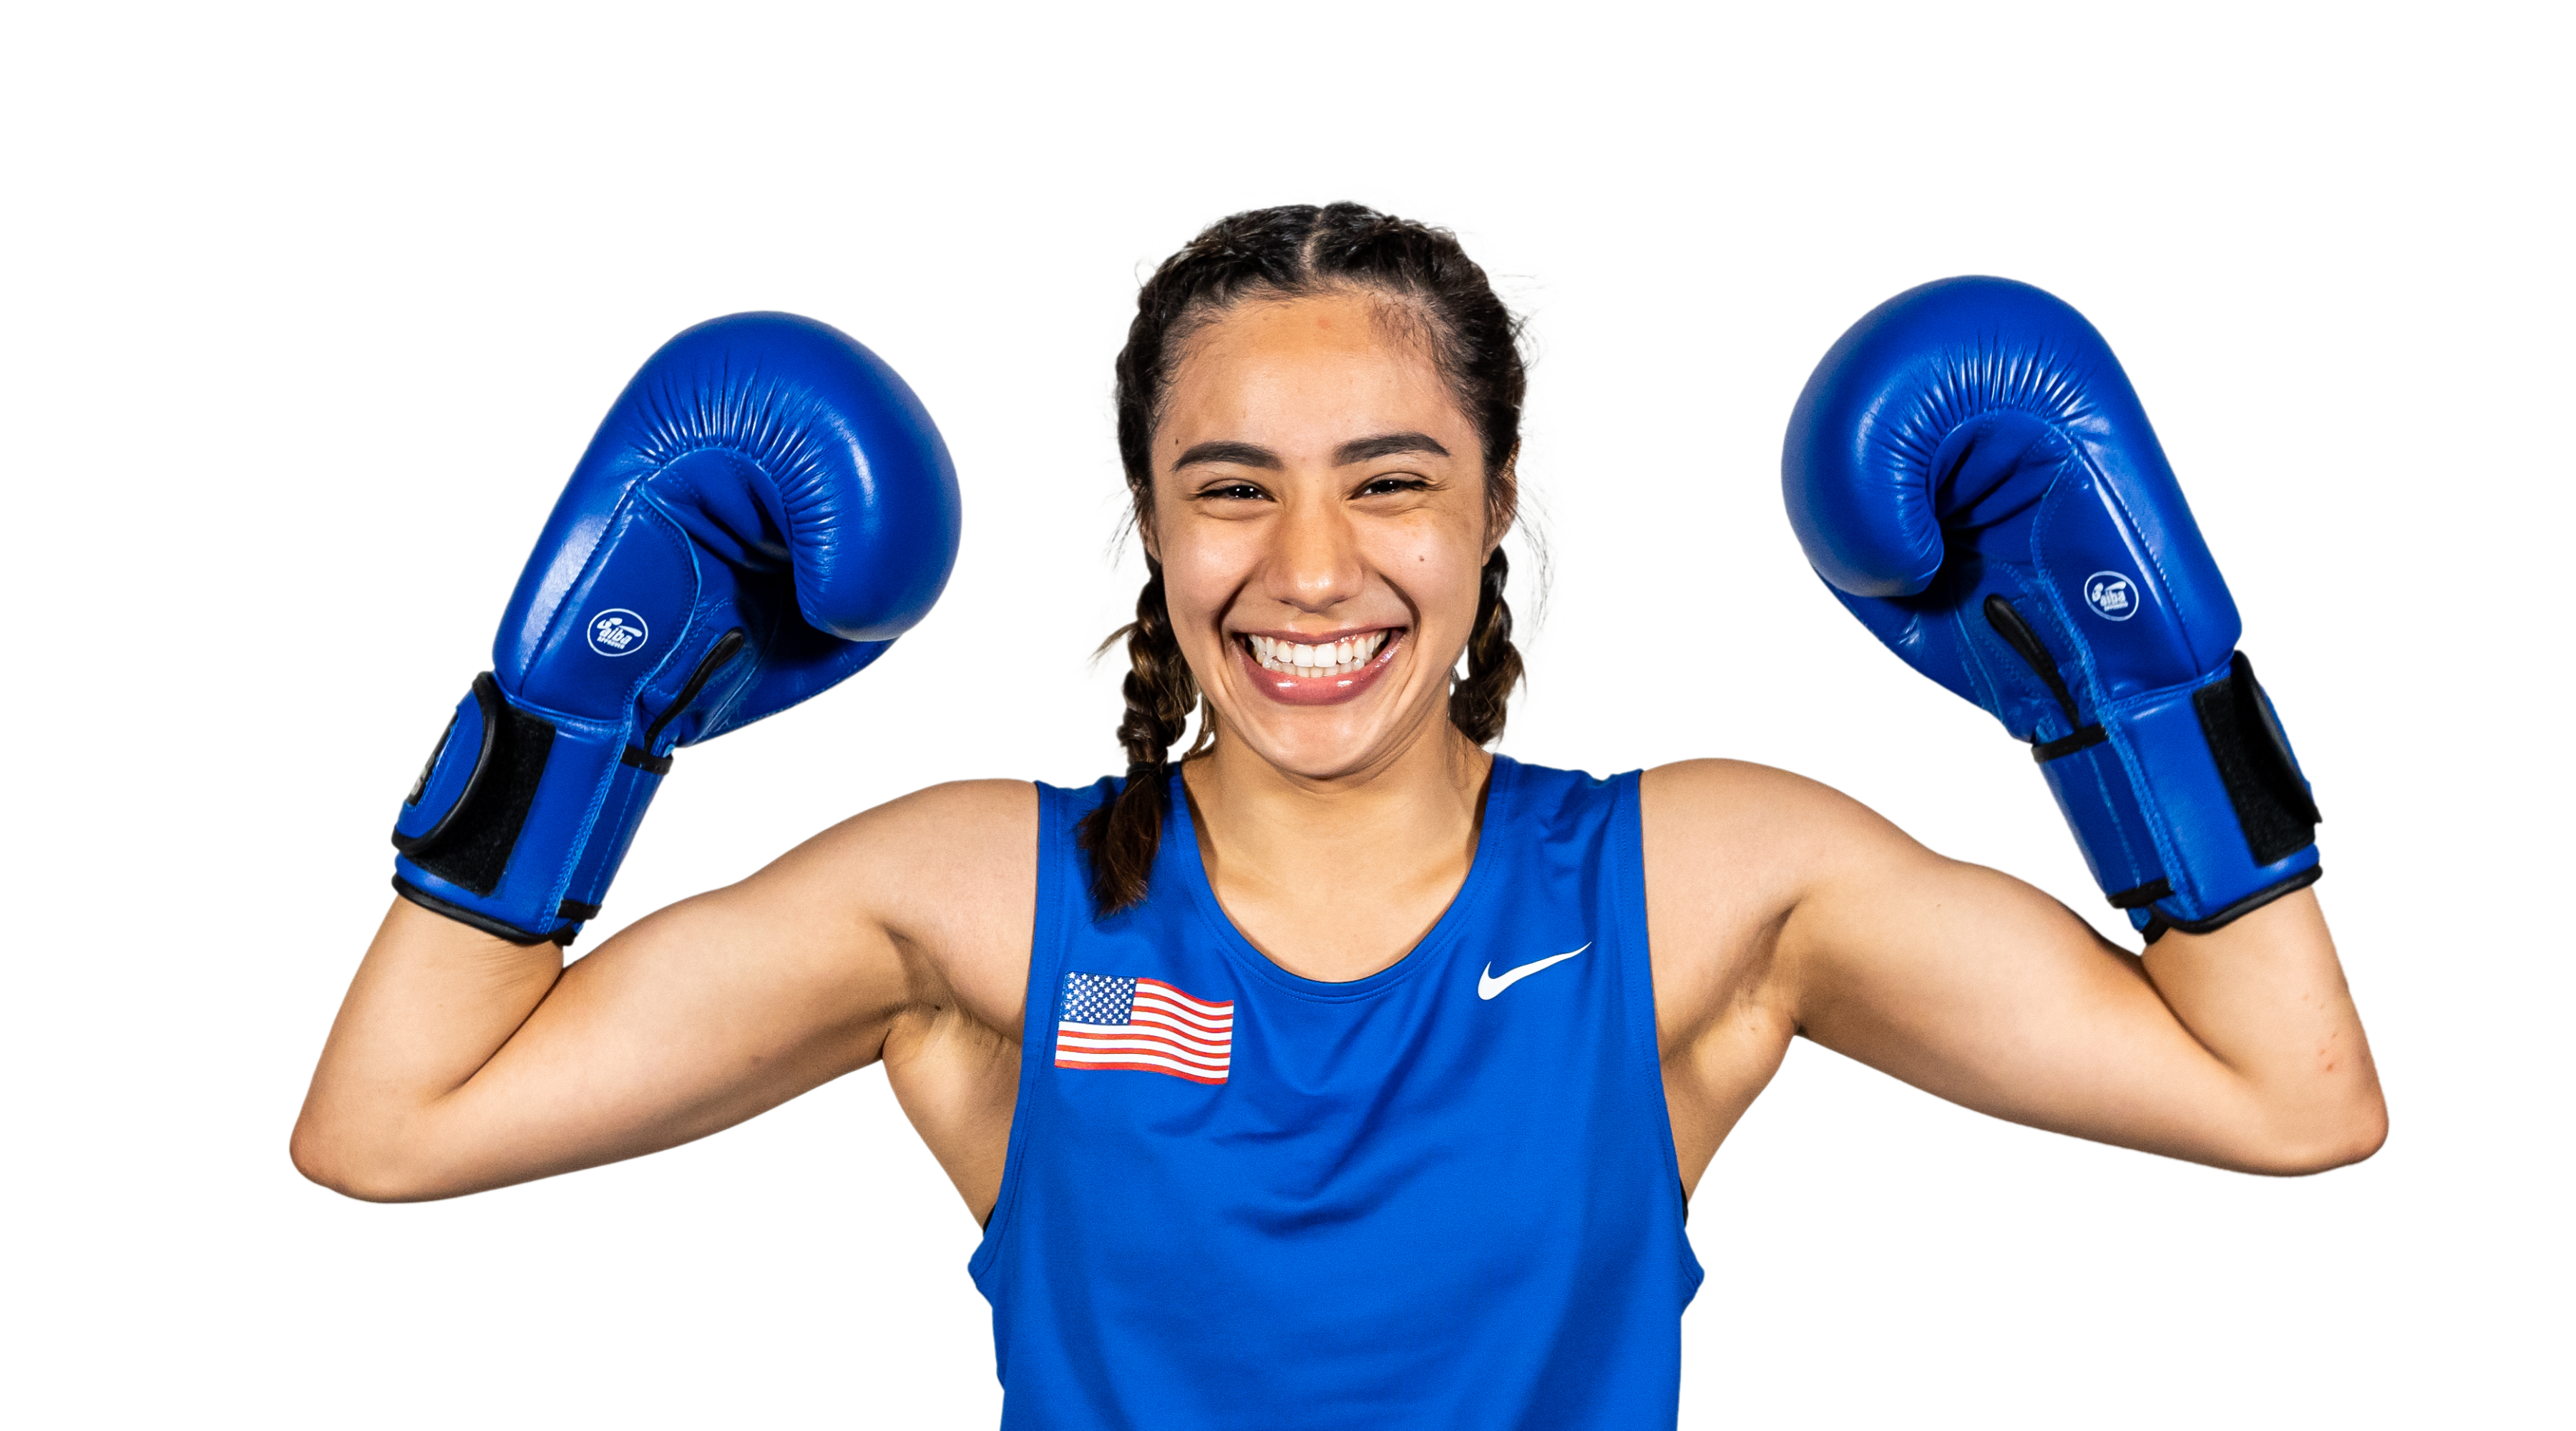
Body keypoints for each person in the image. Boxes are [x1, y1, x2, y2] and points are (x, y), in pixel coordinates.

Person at [292, 192, 2386, 1427]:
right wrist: (574, 726)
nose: (1309, 570)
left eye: (1391, 478)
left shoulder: (1699, 877)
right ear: (1144, 530)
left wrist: (2135, 697)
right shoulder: (986, 900)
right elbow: (383, 1131)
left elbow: (2298, 1102)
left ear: (1496, 518)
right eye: (1232, 487)